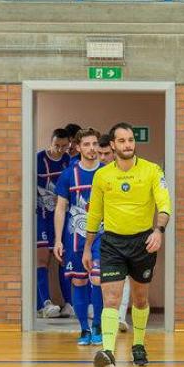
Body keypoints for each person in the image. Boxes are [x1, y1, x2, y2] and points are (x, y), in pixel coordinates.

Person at [84, 122, 172, 367]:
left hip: (142, 242)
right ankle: (108, 352)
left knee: (140, 299)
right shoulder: (102, 176)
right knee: (111, 299)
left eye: (131, 140)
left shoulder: (152, 170)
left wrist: (158, 230)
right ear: (112, 145)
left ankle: (138, 344)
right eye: (122, 141)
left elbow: (164, 204)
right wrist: (87, 247)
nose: (128, 145)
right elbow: (94, 214)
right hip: (112, 243)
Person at [54, 128, 106, 346]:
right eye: (86, 144)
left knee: (98, 278)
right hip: (75, 235)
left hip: (102, 235)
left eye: (95, 144)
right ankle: (84, 329)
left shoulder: (107, 172)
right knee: (79, 280)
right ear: (78, 147)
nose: (92, 148)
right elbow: (60, 208)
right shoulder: (68, 174)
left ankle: (98, 326)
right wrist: (58, 240)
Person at [36, 128, 71, 319]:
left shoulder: (68, 161)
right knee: (42, 258)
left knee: (62, 258)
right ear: (51, 142)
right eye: (56, 145)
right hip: (41, 215)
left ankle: (69, 303)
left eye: (64, 146)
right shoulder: (38, 158)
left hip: (61, 216)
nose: (60, 149)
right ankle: (44, 303)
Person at [97, 133, 129, 332]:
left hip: (121, 234)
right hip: (96, 232)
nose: (102, 158)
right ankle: (99, 319)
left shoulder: (126, 172)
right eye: (99, 154)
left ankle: (119, 317)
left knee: (123, 277)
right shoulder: (97, 174)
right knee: (96, 277)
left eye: (106, 154)